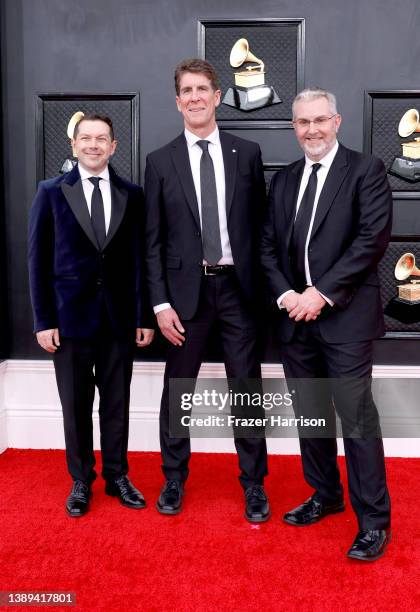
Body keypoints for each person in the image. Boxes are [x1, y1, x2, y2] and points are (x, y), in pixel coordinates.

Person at [260, 88, 392, 560]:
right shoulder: (285, 179)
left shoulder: (366, 170)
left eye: (319, 120)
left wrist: (321, 295)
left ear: (336, 121)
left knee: (356, 419)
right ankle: (326, 494)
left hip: (346, 318)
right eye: (302, 123)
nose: (311, 130)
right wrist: (288, 296)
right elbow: (268, 247)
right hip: (295, 319)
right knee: (311, 415)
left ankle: (374, 520)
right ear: (293, 127)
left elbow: (371, 240)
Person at [144, 58, 269, 521]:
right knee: (178, 391)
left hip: (239, 291)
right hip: (183, 298)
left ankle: (254, 484)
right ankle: (174, 479)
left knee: (247, 390)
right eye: (187, 90)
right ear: (178, 102)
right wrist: (159, 304)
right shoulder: (159, 162)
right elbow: (152, 241)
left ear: (218, 97)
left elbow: (260, 230)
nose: (195, 97)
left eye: (203, 89)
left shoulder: (247, 153)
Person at [28, 113, 154, 517]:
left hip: (118, 322)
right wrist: (43, 320)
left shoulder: (132, 195)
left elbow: (139, 261)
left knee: (117, 402)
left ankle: (117, 476)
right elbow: (37, 261)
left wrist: (143, 317)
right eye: (87, 138)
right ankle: (81, 479)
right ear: (75, 145)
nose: (94, 145)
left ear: (114, 146)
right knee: (76, 405)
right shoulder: (50, 192)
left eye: (102, 139)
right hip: (68, 323)